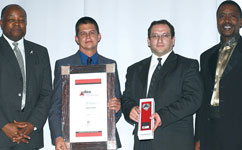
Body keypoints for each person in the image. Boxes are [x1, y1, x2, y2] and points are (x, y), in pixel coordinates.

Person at [121, 19, 203, 150]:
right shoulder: (134, 70)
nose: (159, 40)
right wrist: (130, 109)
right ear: (148, 41)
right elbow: (126, 99)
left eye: (165, 35)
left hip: (175, 142)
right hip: (142, 144)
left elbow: (194, 99)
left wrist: (162, 116)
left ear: (173, 40)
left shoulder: (187, 66)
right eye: (155, 36)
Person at [48, 16, 122, 150]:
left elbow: (117, 104)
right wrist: (58, 136)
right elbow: (55, 106)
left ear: (99, 36)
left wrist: (116, 109)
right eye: (83, 33)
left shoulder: (110, 66)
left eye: (92, 32)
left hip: (104, 140)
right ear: (76, 38)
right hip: (71, 140)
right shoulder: (64, 66)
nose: (88, 36)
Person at [0, 4, 52, 150]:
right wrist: (3, 125)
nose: (17, 24)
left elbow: (46, 93)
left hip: (30, 137)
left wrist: (32, 124)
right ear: (1, 23)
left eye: (21, 20)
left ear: (26, 23)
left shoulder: (40, 52)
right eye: (11, 19)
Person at [195, 1, 242, 150]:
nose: (227, 20)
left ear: (241, 21)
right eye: (222, 16)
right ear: (217, 22)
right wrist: (198, 137)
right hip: (210, 133)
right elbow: (201, 100)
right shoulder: (206, 56)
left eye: (232, 16)